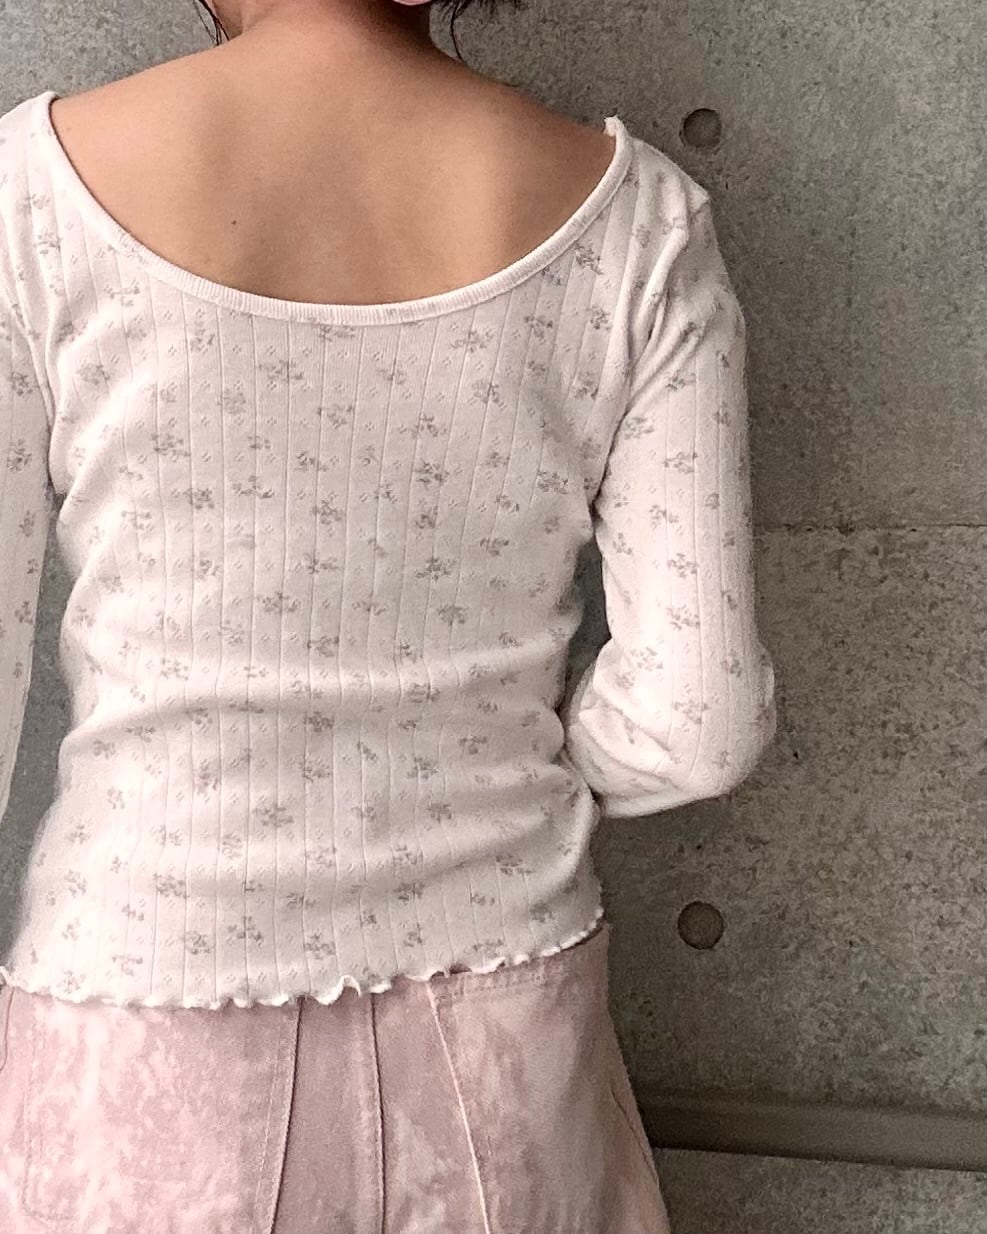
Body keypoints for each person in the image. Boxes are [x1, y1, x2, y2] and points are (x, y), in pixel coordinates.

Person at [0, 1, 777, 1230]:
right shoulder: (639, 225)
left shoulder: (29, 196)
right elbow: (704, 720)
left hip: (145, 1031)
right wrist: (490, 768)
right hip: (503, 1026)